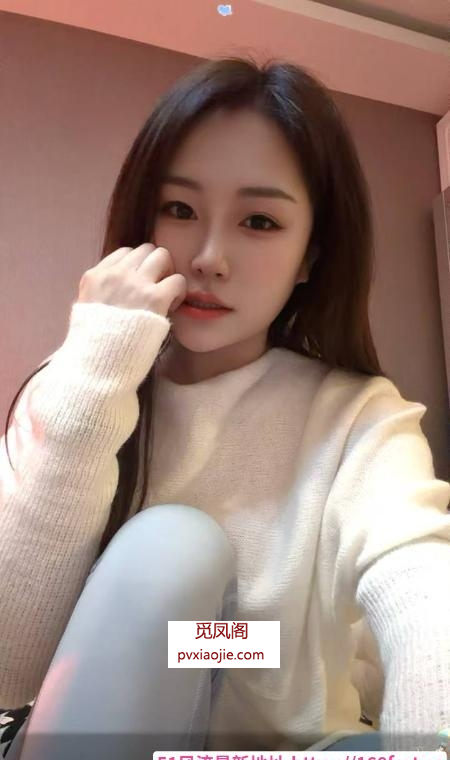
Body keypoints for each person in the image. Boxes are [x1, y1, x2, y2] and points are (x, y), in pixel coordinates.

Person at [0, 55, 449, 759]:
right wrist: (95, 370)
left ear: (310, 257)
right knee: (172, 549)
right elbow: (10, 666)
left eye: (259, 221)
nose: (209, 256)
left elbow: (419, 580)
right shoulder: (76, 386)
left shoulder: (357, 418)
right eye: (180, 210)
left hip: (284, 746)